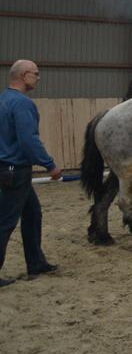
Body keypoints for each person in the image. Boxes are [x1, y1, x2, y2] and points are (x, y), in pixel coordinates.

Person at [0, 60, 62, 287]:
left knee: (33, 214)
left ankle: (35, 262)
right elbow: (29, 141)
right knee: (5, 222)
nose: (38, 77)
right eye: (36, 74)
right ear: (24, 75)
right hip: (17, 171)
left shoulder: (3, 99)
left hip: (9, 170)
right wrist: (50, 165)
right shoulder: (22, 104)